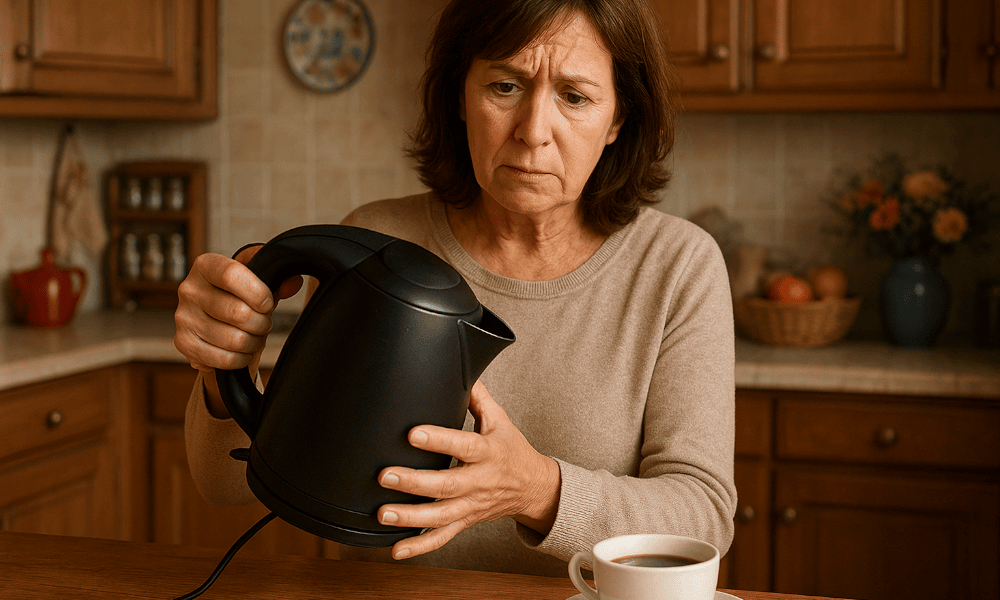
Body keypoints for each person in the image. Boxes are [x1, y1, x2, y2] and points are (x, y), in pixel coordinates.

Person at [174, 0, 736, 578]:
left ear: (619, 117)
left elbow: (704, 517)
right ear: (459, 95)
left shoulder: (678, 266)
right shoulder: (376, 240)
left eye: (575, 96)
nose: (533, 132)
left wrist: (538, 490)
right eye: (504, 85)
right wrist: (224, 363)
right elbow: (225, 486)